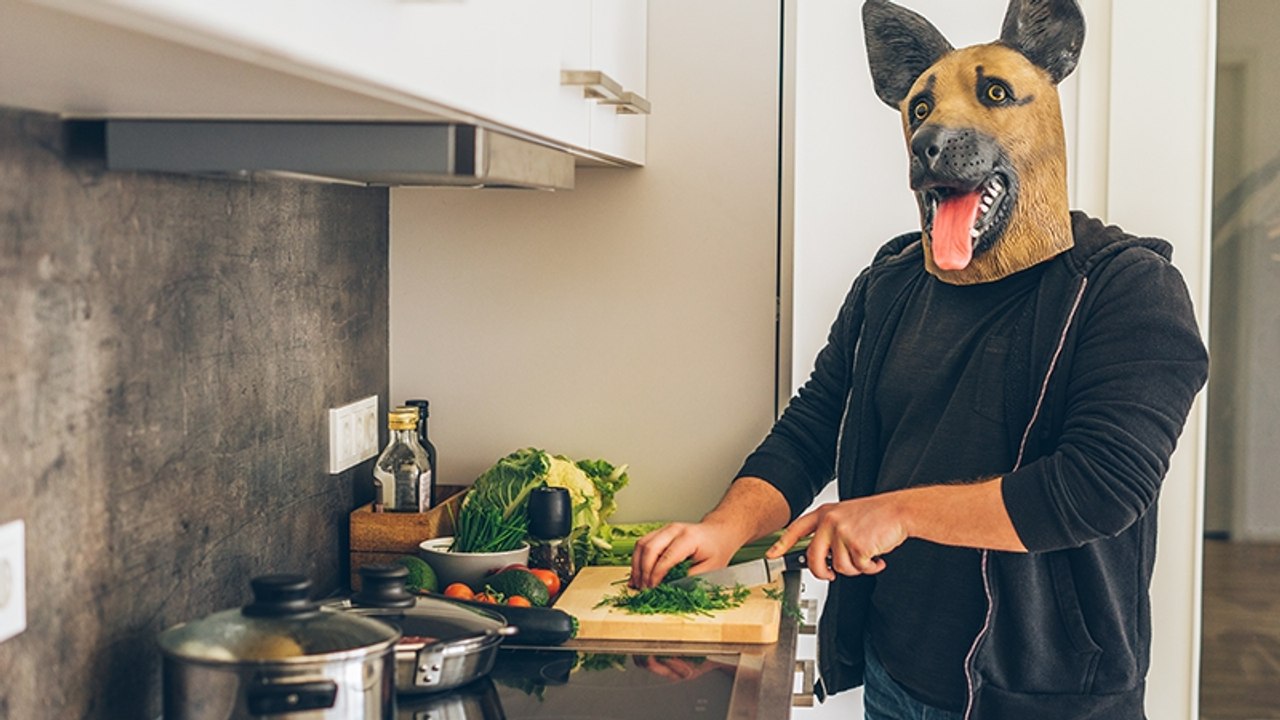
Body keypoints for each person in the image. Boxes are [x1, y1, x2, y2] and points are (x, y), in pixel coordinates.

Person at [629, 1, 1209, 719]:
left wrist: (897, 513)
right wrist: (724, 527)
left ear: (1049, 107)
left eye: (994, 95)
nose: (936, 132)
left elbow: (1099, 488)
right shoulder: (891, 282)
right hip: (896, 675)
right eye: (921, 108)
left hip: (1049, 697)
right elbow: (814, 428)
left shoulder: (1127, 288)